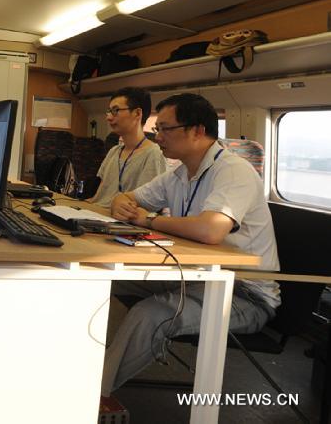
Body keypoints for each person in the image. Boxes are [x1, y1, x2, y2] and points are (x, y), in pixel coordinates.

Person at [101, 93, 280, 395]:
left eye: (165, 129)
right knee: (106, 279)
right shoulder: (179, 173)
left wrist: (148, 221)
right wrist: (121, 203)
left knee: (151, 314)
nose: (158, 137)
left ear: (197, 130)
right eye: (157, 129)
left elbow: (211, 230)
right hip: (194, 276)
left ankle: (96, 396)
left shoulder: (233, 171)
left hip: (243, 293)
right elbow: (131, 196)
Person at [89, 87, 165, 207]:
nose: (108, 117)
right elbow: (98, 198)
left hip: (120, 221)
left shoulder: (153, 154)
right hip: (97, 213)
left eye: (116, 110)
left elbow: (145, 205)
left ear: (137, 113)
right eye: (109, 111)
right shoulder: (114, 151)